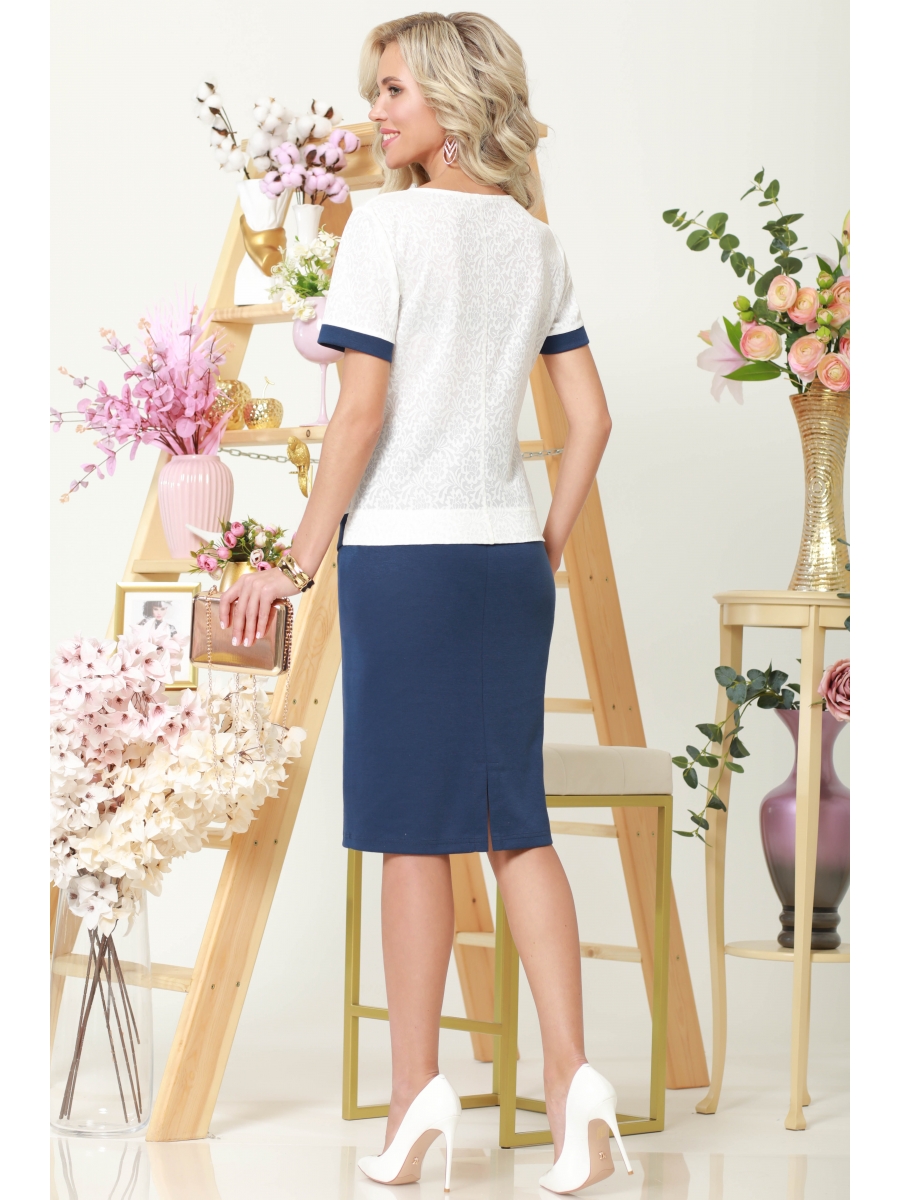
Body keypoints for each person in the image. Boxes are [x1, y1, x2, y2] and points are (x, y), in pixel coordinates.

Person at [219, 12, 626, 1195]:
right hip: (505, 563)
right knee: (515, 825)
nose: (377, 111)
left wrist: (296, 563)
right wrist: (543, 542)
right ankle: (574, 1089)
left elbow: (359, 415)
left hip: (405, 559)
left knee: (412, 836)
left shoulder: (385, 228)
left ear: (454, 98)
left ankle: (416, 1102)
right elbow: (591, 421)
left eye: (394, 90)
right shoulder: (536, 243)